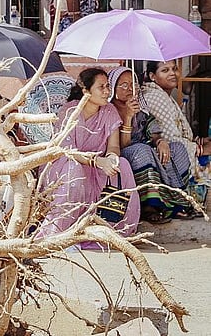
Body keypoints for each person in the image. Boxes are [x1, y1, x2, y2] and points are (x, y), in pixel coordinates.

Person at [37, 68, 140, 244]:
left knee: (122, 164)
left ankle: (115, 230)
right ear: (86, 91)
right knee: (74, 169)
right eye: (102, 87)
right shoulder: (69, 112)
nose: (107, 91)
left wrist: (112, 158)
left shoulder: (109, 111)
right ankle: (59, 232)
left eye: (108, 86)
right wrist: (96, 161)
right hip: (65, 165)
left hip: (97, 167)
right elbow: (66, 150)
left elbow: (113, 146)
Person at [110, 67, 194, 223]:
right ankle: (150, 206)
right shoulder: (109, 111)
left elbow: (153, 132)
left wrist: (160, 142)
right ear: (113, 87)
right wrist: (128, 117)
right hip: (126, 155)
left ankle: (177, 201)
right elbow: (123, 146)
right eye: (124, 85)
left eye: (133, 84)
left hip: (147, 151)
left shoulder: (140, 110)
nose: (130, 89)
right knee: (142, 151)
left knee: (177, 148)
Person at [142, 60, 207, 168]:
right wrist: (201, 149)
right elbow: (169, 139)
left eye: (175, 69)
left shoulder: (163, 94)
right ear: (152, 76)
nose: (172, 73)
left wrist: (199, 141)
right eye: (165, 70)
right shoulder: (156, 97)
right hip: (165, 160)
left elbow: (177, 130)